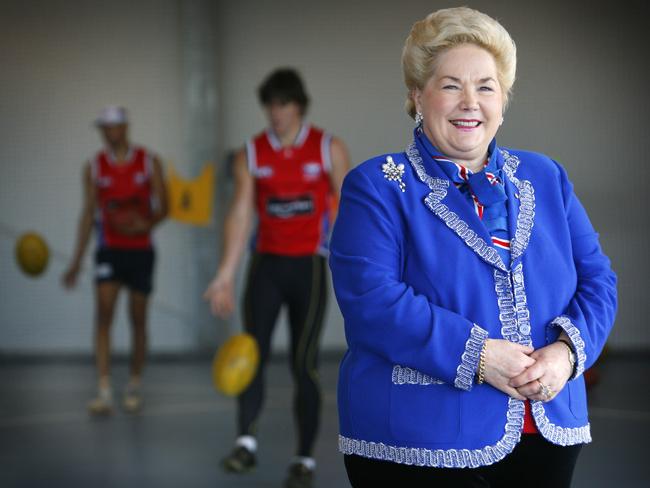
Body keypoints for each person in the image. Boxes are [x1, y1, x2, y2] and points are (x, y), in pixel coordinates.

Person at [329, 7, 617, 488]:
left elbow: (598, 281)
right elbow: (372, 302)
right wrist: (481, 355)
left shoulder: (546, 177)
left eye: (485, 86)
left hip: (547, 430)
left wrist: (566, 355)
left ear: (503, 100)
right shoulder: (376, 185)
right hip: (417, 440)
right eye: (450, 85)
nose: (470, 102)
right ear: (417, 96)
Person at [203, 68, 350, 488]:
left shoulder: (328, 148)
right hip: (265, 266)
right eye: (270, 104)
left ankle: (303, 458)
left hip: (309, 267)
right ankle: (245, 443)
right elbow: (239, 213)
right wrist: (225, 274)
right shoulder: (250, 153)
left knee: (303, 364)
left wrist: (357, 264)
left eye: (283, 103)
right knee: (251, 355)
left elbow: (352, 207)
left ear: (299, 105)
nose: (276, 112)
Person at [62, 106, 167, 415]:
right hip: (108, 249)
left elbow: (166, 206)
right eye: (104, 128)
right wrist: (76, 260)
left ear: (125, 127)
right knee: (103, 315)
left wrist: (145, 224)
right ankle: (104, 389)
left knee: (138, 319)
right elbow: (87, 214)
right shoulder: (94, 167)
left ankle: (134, 384)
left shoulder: (149, 162)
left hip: (141, 250)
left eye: (114, 127)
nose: (109, 133)